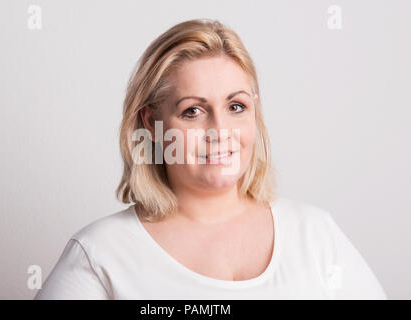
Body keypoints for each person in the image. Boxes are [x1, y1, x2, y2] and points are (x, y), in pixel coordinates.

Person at [34, 18, 387, 300]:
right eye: (192, 111)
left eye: (236, 107)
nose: (220, 130)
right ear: (151, 123)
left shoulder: (316, 234)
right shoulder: (101, 254)